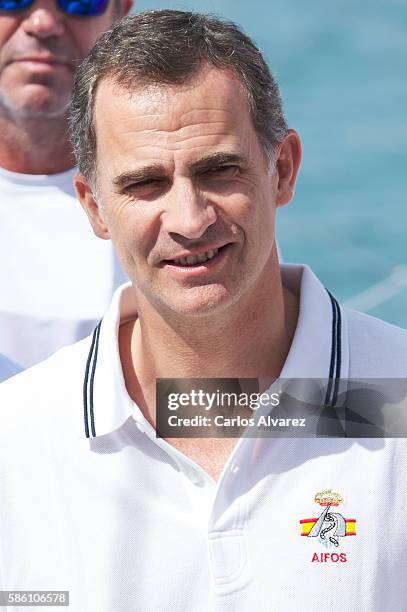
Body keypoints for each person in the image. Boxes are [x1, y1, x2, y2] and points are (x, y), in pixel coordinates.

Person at [1, 10, 407, 611]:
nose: (190, 220)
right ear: (93, 206)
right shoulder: (17, 442)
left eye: (220, 170)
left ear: (283, 170)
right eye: (144, 183)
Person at [0, 0, 131, 369]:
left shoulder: (190, 200)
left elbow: (283, 406)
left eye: (79, 1)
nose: (42, 23)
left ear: (120, 12)